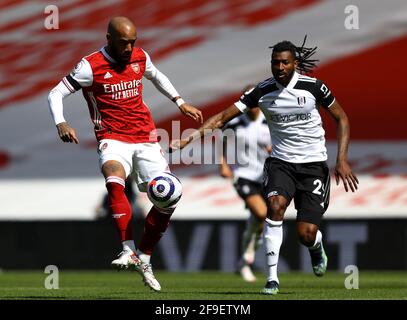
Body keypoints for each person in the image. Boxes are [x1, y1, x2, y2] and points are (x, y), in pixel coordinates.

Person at [171, 37, 359, 295]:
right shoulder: (262, 91)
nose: (279, 67)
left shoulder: (314, 87)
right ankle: (272, 279)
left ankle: (315, 247)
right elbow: (223, 118)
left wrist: (341, 159)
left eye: (284, 62)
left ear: (294, 64)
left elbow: (342, 118)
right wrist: (188, 139)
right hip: (281, 163)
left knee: (306, 234)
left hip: (313, 165)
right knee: (274, 207)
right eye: (275, 62)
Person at [47, 16, 203, 292]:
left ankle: (144, 255)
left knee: (170, 195)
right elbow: (55, 93)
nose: (129, 49)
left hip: (145, 137)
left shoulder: (140, 57)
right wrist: (61, 121)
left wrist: (179, 101)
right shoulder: (90, 66)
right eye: (123, 44)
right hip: (112, 138)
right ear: (109, 40)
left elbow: (156, 75)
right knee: (113, 177)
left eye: (133, 42)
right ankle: (128, 248)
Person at [219, 85, 271, 282]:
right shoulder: (235, 124)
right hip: (243, 175)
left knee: (258, 223)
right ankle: (246, 260)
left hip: (266, 178)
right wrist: (223, 163)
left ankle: (244, 261)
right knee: (261, 213)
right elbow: (221, 140)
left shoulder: (270, 122)